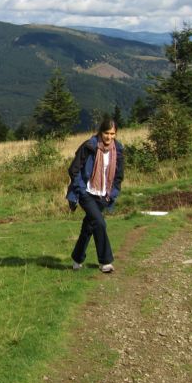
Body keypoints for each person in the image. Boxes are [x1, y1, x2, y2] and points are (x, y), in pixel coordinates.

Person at [66, 117, 124, 273]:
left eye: (112, 134)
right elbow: (74, 169)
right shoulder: (89, 146)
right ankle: (105, 262)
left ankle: (77, 259)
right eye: (106, 133)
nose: (109, 137)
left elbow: (118, 176)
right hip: (87, 193)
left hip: (104, 195)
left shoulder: (117, 150)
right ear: (101, 132)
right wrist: (80, 189)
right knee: (100, 223)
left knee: (89, 226)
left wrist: (113, 193)